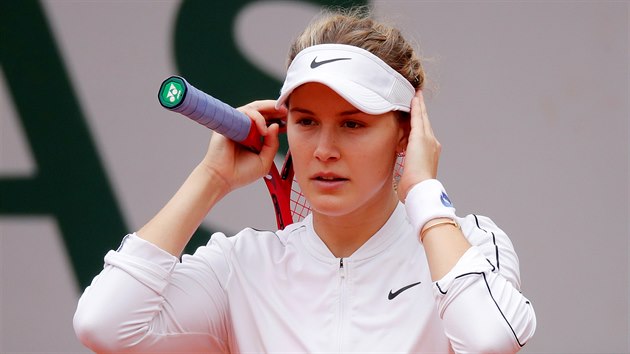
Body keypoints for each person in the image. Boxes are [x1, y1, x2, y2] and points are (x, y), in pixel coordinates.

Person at [74, 7, 536, 353]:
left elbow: (490, 342)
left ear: (406, 134)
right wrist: (211, 177)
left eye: (353, 124)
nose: (323, 149)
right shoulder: (242, 266)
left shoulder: (470, 243)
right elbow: (103, 324)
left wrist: (424, 196)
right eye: (307, 121)